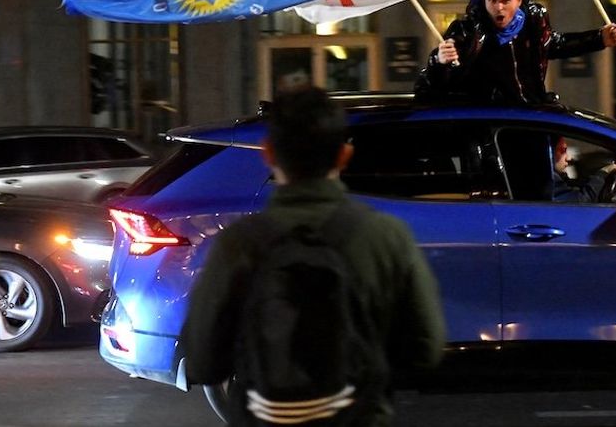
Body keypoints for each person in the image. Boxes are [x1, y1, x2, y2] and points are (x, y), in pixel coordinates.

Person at [181, 87, 446, 426]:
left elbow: (202, 360)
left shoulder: (238, 244)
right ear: (345, 156)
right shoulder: (385, 236)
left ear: (268, 153)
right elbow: (425, 348)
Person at [414, 0, 616, 104]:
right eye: (492, 0)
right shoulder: (468, 29)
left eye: (505, 0)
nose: (498, 7)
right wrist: (439, 60)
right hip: (488, 121)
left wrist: (599, 39)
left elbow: (553, 45)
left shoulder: (534, 21)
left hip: (527, 112)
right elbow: (438, 79)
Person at [549, 136, 616, 204]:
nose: (568, 158)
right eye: (562, 151)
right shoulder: (547, 181)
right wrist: (602, 174)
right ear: (548, 153)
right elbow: (581, 202)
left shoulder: (554, 177)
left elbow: (571, 185)